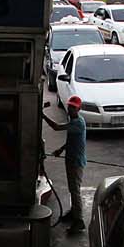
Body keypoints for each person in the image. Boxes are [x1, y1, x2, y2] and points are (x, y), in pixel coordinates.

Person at [44, 95, 88, 234]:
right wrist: (61, 149)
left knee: (75, 191)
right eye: (69, 106)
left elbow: (56, 127)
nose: (70, 109)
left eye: (73, 107)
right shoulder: (74, 120)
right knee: (72, 188)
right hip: (70, 159)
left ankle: (79, 220)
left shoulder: (78, 123)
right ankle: (73, 213)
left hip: (76, 162)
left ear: (79, 109)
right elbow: (72, 139)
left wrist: (42, 115)